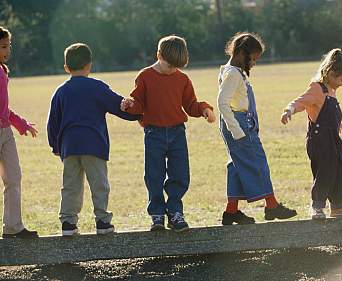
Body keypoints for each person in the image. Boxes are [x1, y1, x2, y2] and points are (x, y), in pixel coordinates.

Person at [121, 35, 216, 232]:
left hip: (177, 133)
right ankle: (157, 215)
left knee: (180, 174)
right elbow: (138, 103)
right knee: (154, 175)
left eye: (177, 66)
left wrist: (204, 109)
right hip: (153, 133)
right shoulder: (145, 76)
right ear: (158, 55)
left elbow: (190, 105)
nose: (173, 69)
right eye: (169, 64)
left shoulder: (182, 79)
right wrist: (129, 105)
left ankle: (174, 212)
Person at [47, 43, 140, 236]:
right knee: (99, 184)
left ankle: (68, 223)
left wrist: (55, 146)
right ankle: (102, 222)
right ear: (89, 65)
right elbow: (119, 106)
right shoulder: (97, 87)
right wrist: (137, 114)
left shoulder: (61, 91)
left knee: (71, 186)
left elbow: (53, 122)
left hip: (69, 147)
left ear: (66, 67)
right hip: (94, 145)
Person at [217, 32, 297, 225]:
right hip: (238, 123)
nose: (254, 63)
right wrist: (237, 130)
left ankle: (231, 211)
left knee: (236, 165)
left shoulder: (231, 71)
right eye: (252, 59)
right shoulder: (233, 73)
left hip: (238, 121)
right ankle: (271, 205)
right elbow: (222, 102)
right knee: (258, 162)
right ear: (241, 53)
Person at [281, 48, 342, 219]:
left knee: (341, 169)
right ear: (330, 72)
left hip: (333, 140)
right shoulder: (317, 89)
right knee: (325, 171)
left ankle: (338, 206)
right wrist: (289, 110)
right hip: (320, 141)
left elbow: (328, 113)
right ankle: (317, 206)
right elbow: (301, 102)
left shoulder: (332, 91)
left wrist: (339, 124)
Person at [0, 27, 39, 239]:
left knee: (13, 177)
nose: (8, 50)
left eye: (9, 46)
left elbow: (5, 108)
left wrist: (21, 124)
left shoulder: (3, 71)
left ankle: (13, 226)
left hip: (6, 133)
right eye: (4, 46)